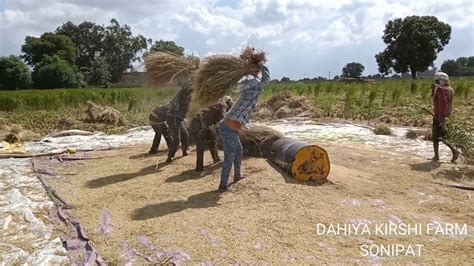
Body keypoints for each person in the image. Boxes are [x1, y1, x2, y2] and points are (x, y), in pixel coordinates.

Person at [218, 63, 270, 191]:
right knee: (230, 155)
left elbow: (237, 86)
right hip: (228, 127)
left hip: (230, 126)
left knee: (239, 150)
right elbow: (266, 78)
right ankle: (223, 185)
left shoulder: (245, 88)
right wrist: (260, 64)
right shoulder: (254, 88)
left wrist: (244, 71)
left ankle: (237, 176)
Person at [190, 96, 234, 171]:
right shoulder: (223, 104)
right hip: (200, 123)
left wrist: (214, 131)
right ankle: (199, 168)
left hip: (199, 121)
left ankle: (215, 158)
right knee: (201, 144)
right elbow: (223, 118)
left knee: (212, 140)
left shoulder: (216, 102)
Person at [431, 72, 459, 163]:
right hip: (447, 116)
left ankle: (440, 155)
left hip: (440, 116)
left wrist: (440, 116)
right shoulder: (450, 89)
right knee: (443, 136)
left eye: (436, 80)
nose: (435, 82)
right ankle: (451, 152)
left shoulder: (440, 89)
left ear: (440, 80)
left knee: (436, 137)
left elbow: (443, 103)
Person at [166, 80, 193, 163]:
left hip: (178, 119)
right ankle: (170, 156)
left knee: (185, 134)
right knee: (176, 139)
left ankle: (184, 151)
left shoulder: (187, 96)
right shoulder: (182, 95)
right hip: (173, 118)